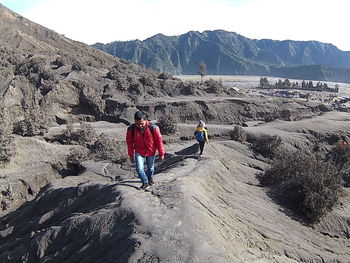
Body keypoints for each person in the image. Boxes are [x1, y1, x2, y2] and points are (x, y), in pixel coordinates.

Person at [126, 111, 165, 190]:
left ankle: (150, 178)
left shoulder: (153, 128)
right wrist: (131, 155)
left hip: (150, 151)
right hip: (139, 151)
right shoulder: (131, 129)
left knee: (150, 168)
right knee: (139, 168)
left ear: (146, 120)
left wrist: (161, 153)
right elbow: (129, 143)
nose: (139, 125)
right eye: (137, 123)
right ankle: (145, 182)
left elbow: (159, 141)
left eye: (141, 123)